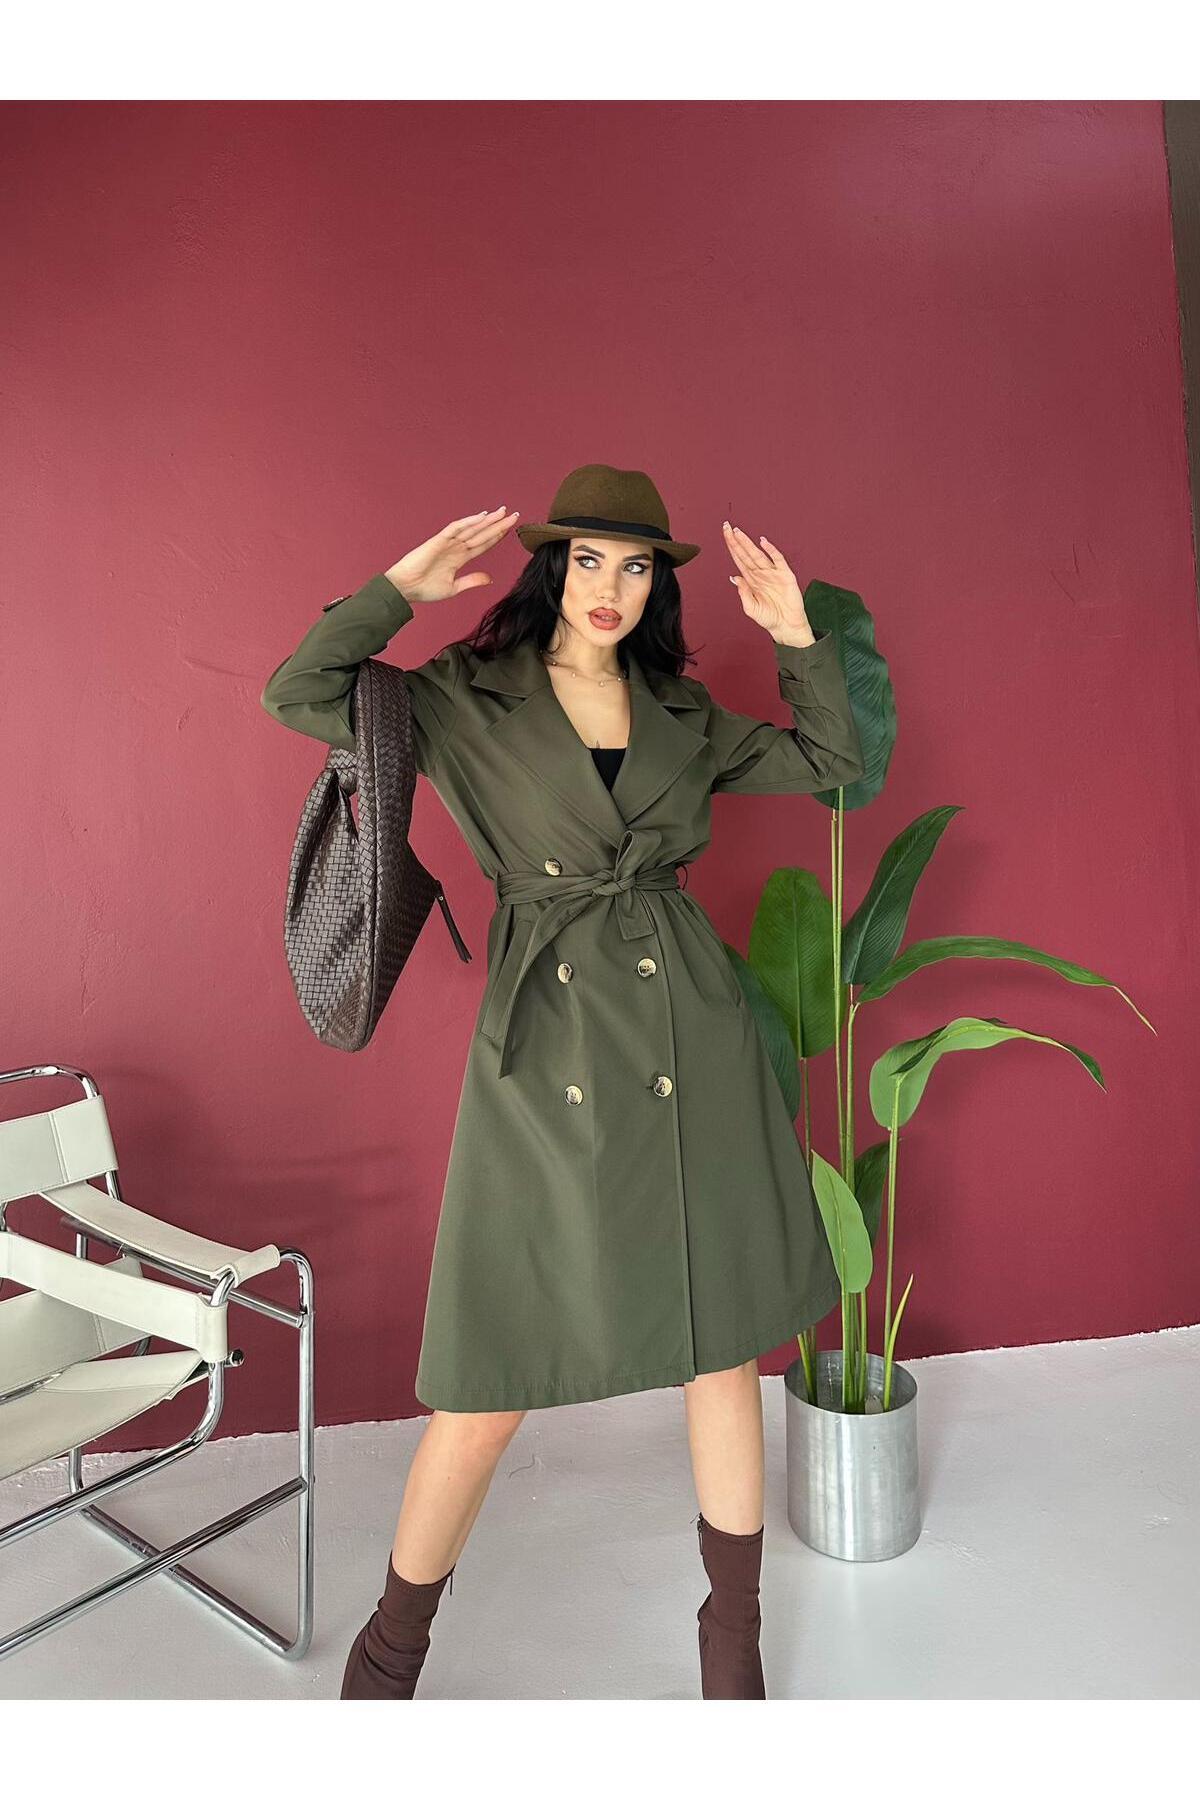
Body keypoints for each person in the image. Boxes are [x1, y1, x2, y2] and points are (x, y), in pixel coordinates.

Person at [260, 464, 866, 1700]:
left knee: (722, 1347)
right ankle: (389, 1655)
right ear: (554, 567)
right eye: (590, 558)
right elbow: (299, 693)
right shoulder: (460, 695)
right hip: (549, 1038)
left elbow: (831, 763)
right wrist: (397, 591)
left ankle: (732, 1642)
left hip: (692, 1030)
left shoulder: (683, 712)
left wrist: (796, 639)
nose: (612, 587)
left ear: (657, 587)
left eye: (636, 566)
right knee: (491, 1372)